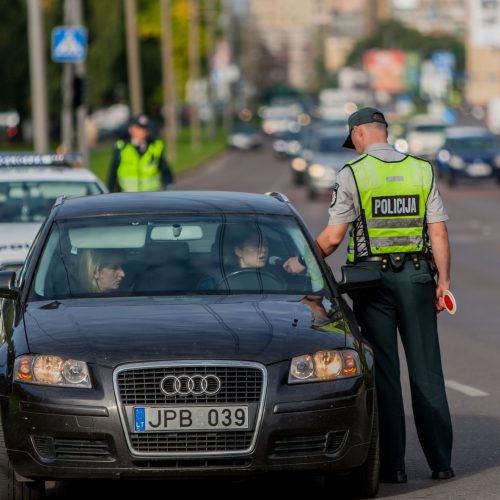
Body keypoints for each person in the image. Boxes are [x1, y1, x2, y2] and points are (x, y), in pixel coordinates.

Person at [315, 107, 454, 483]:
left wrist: (301, 260)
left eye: (353, 140)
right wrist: (443, 283)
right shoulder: (421, 169)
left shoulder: (353, 174)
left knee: (386, 375)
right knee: (428, 372)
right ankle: (441, 463)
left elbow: (332, 238)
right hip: (418, 277)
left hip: (373, 284)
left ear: (359, 133)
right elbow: (438, 233)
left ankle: (394, 466)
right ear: (384, 132)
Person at [198, 228, 305, 290]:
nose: (263, 250)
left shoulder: (279, 277)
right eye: (255, 246)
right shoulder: (214, 281)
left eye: (265, 245)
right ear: (238, 251)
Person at [107, 114, 174, 192]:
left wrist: (169, 188)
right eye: (140, 128)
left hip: (151, 197)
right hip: (128, 198)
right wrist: (110, 192)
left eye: (145, 128)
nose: (143, 131)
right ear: (131, 130)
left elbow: (166, 172)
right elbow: (112, 174)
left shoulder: (155, 147)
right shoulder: (122, 147)